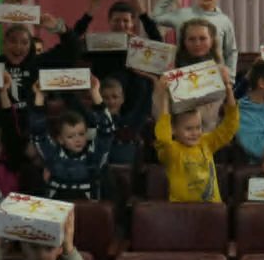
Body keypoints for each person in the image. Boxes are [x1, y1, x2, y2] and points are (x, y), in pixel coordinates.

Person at [153, 66, 238, 203]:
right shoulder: (171, 150)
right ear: (173, 129)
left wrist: (228, 89)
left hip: (212, 210)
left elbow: (230, 127)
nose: (195, 133)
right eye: (188, 129)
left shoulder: (206, 143)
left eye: (198, 127)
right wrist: (164, 98)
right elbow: (163, 138)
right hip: (182, 212)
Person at [30, 78, 114, 201]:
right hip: (57, 214)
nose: (77, 139)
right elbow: (38, 133)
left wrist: (95, 93)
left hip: (88, 214)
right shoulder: (53, 155)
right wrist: (39, 96)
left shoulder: (94, 156)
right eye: (70, 136)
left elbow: (107, 131)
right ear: (60, 139)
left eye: (81, 134)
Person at [152, 18, 228, 132]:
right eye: (191, 39)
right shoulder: (171, 71)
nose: (197, 43)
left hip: (211, 136)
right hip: (178, 135)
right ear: (184, 42)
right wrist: (161, 88)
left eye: (202, 38)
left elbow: (225, 111)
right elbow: (158, 112)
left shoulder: (221, 71)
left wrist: (227, 86)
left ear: (211, 40)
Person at [153, 0, 238, 75]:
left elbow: (231, 52)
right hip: (184, 75)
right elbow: (155, 17)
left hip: (214, 78)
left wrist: (230, 78)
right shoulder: (182, 14)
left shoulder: (224, 21)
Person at [101, 75, 150, 166]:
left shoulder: (132, 122)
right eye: (106, 98)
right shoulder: (95, 121)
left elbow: (144, 103)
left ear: (122, 98)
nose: (111, 102)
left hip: (130, 175)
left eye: (115, 97)